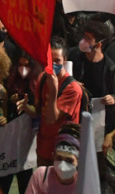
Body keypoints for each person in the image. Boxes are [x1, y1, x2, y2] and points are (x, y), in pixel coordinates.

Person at [36, 37, 84, 167]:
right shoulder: (42, 78)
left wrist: (53, 90)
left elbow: (51, 118)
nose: (52, 65)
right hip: (43, 148)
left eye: (56, 60)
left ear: (65, 60)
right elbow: (39, 111)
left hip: (64, 152)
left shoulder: (73, 89)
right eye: (49, 60)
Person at [24, 126, 85, 194]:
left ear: (79, 160)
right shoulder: (41, 176)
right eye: (59, 158)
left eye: (69, 160)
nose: (63, 164)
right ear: (53, 156)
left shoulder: (84, 183)